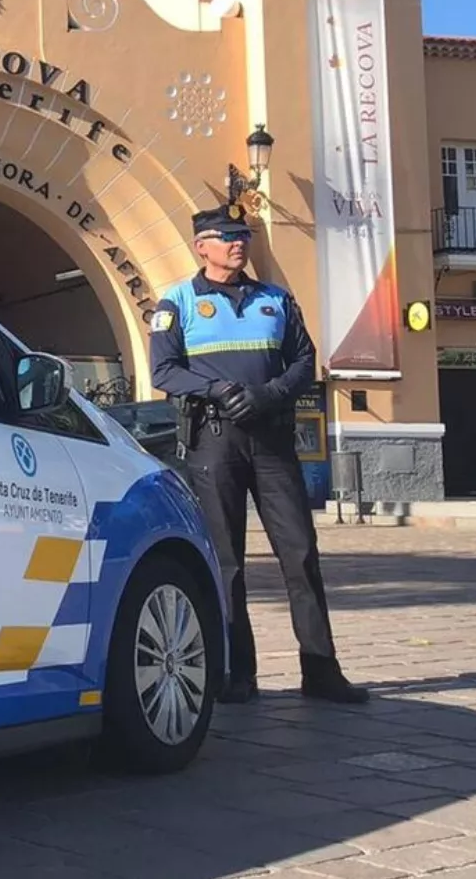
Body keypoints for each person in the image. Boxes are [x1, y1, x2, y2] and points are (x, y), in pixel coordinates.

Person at [148, 205, 368, 706]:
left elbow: (304, 361)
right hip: (215, 439)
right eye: (225, 237)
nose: (237, 244)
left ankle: (321, 670)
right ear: (200, 246)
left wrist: (268, 395)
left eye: (242, 235)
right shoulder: (177, 302)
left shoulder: (276, 299)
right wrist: (218, 388)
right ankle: (236, 673)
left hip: (271, 439)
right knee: (227, 563)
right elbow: (164, 371)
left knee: (301, 554)